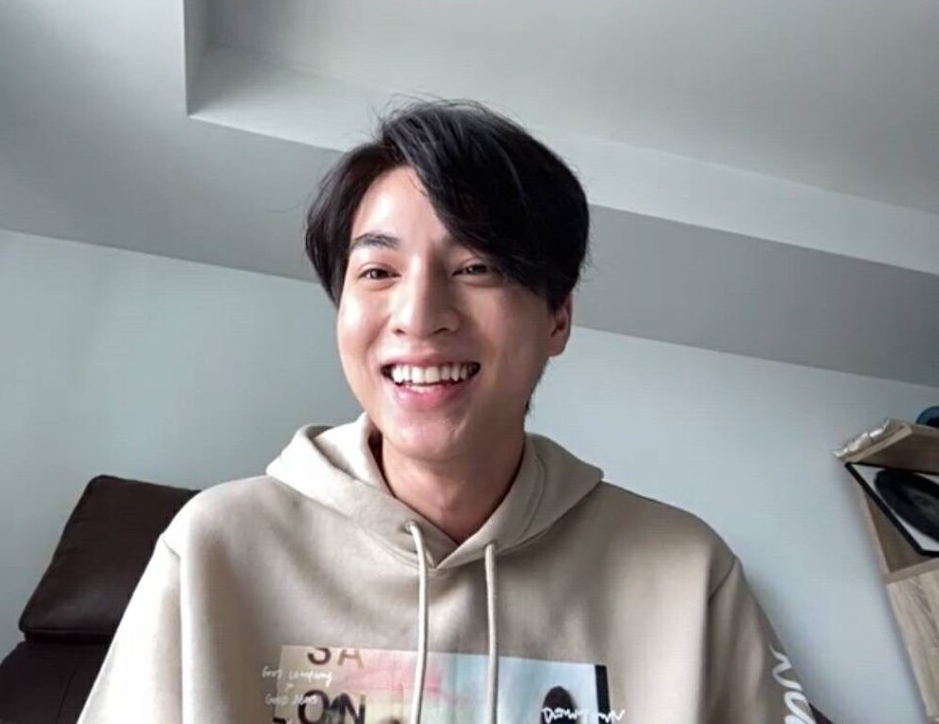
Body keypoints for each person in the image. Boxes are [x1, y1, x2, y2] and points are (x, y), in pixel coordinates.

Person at [77, 99, 815, 723]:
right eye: (378, 271)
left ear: (557, 319)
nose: (419, 315)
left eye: (476, 268)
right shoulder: (216, 547)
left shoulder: (688, 574)